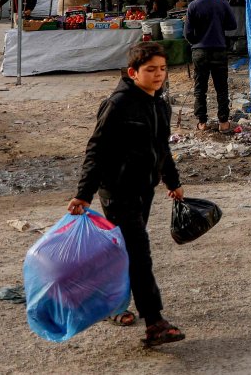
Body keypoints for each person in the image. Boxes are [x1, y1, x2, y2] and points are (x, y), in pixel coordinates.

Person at [67, 42, 186, 347]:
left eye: (162, 69)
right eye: (151, 69)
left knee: (125, 252)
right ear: (133, 72)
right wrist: (84, 194)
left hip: (144, 189)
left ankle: (112, 305)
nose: (158, 75)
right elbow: (96, 150)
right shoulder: (117, 104)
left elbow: (162, 147)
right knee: (139, 253)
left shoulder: (160, 105)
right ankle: (155, 323)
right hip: (118, 192)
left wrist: (172, 181)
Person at [186, 0, 236, 133]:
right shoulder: (222, 2)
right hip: (219, 50)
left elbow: (188, 33)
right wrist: (218, 26)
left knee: (200, 88)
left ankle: (202, 122)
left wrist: (197, 41)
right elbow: (232, 25)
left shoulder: (193, 6)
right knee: (222, 88)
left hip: (200, 52)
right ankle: (223, 122)